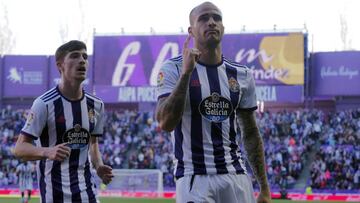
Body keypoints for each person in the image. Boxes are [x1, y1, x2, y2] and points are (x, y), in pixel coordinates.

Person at [156, 2, 271, 203]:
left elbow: (251, 132)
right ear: (191, 31)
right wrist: (186, 74)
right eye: (203, 18)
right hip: (194, 178)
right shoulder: (173, 68)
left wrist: (264, 187)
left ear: (223, 28)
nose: (211, 22)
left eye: (216, 18)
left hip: (235, 177)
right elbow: (166, 122)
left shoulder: (241, 74)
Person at [13, 40, 114, 203]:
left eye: (85, 56)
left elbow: (93, 144)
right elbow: (19, 149)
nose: (82, 60)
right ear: (60, 65)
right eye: (75, 56)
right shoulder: (44, 104)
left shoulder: (96, 105)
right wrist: (47, 151)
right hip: (55, 196)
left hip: (88, 195)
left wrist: (99, 165)